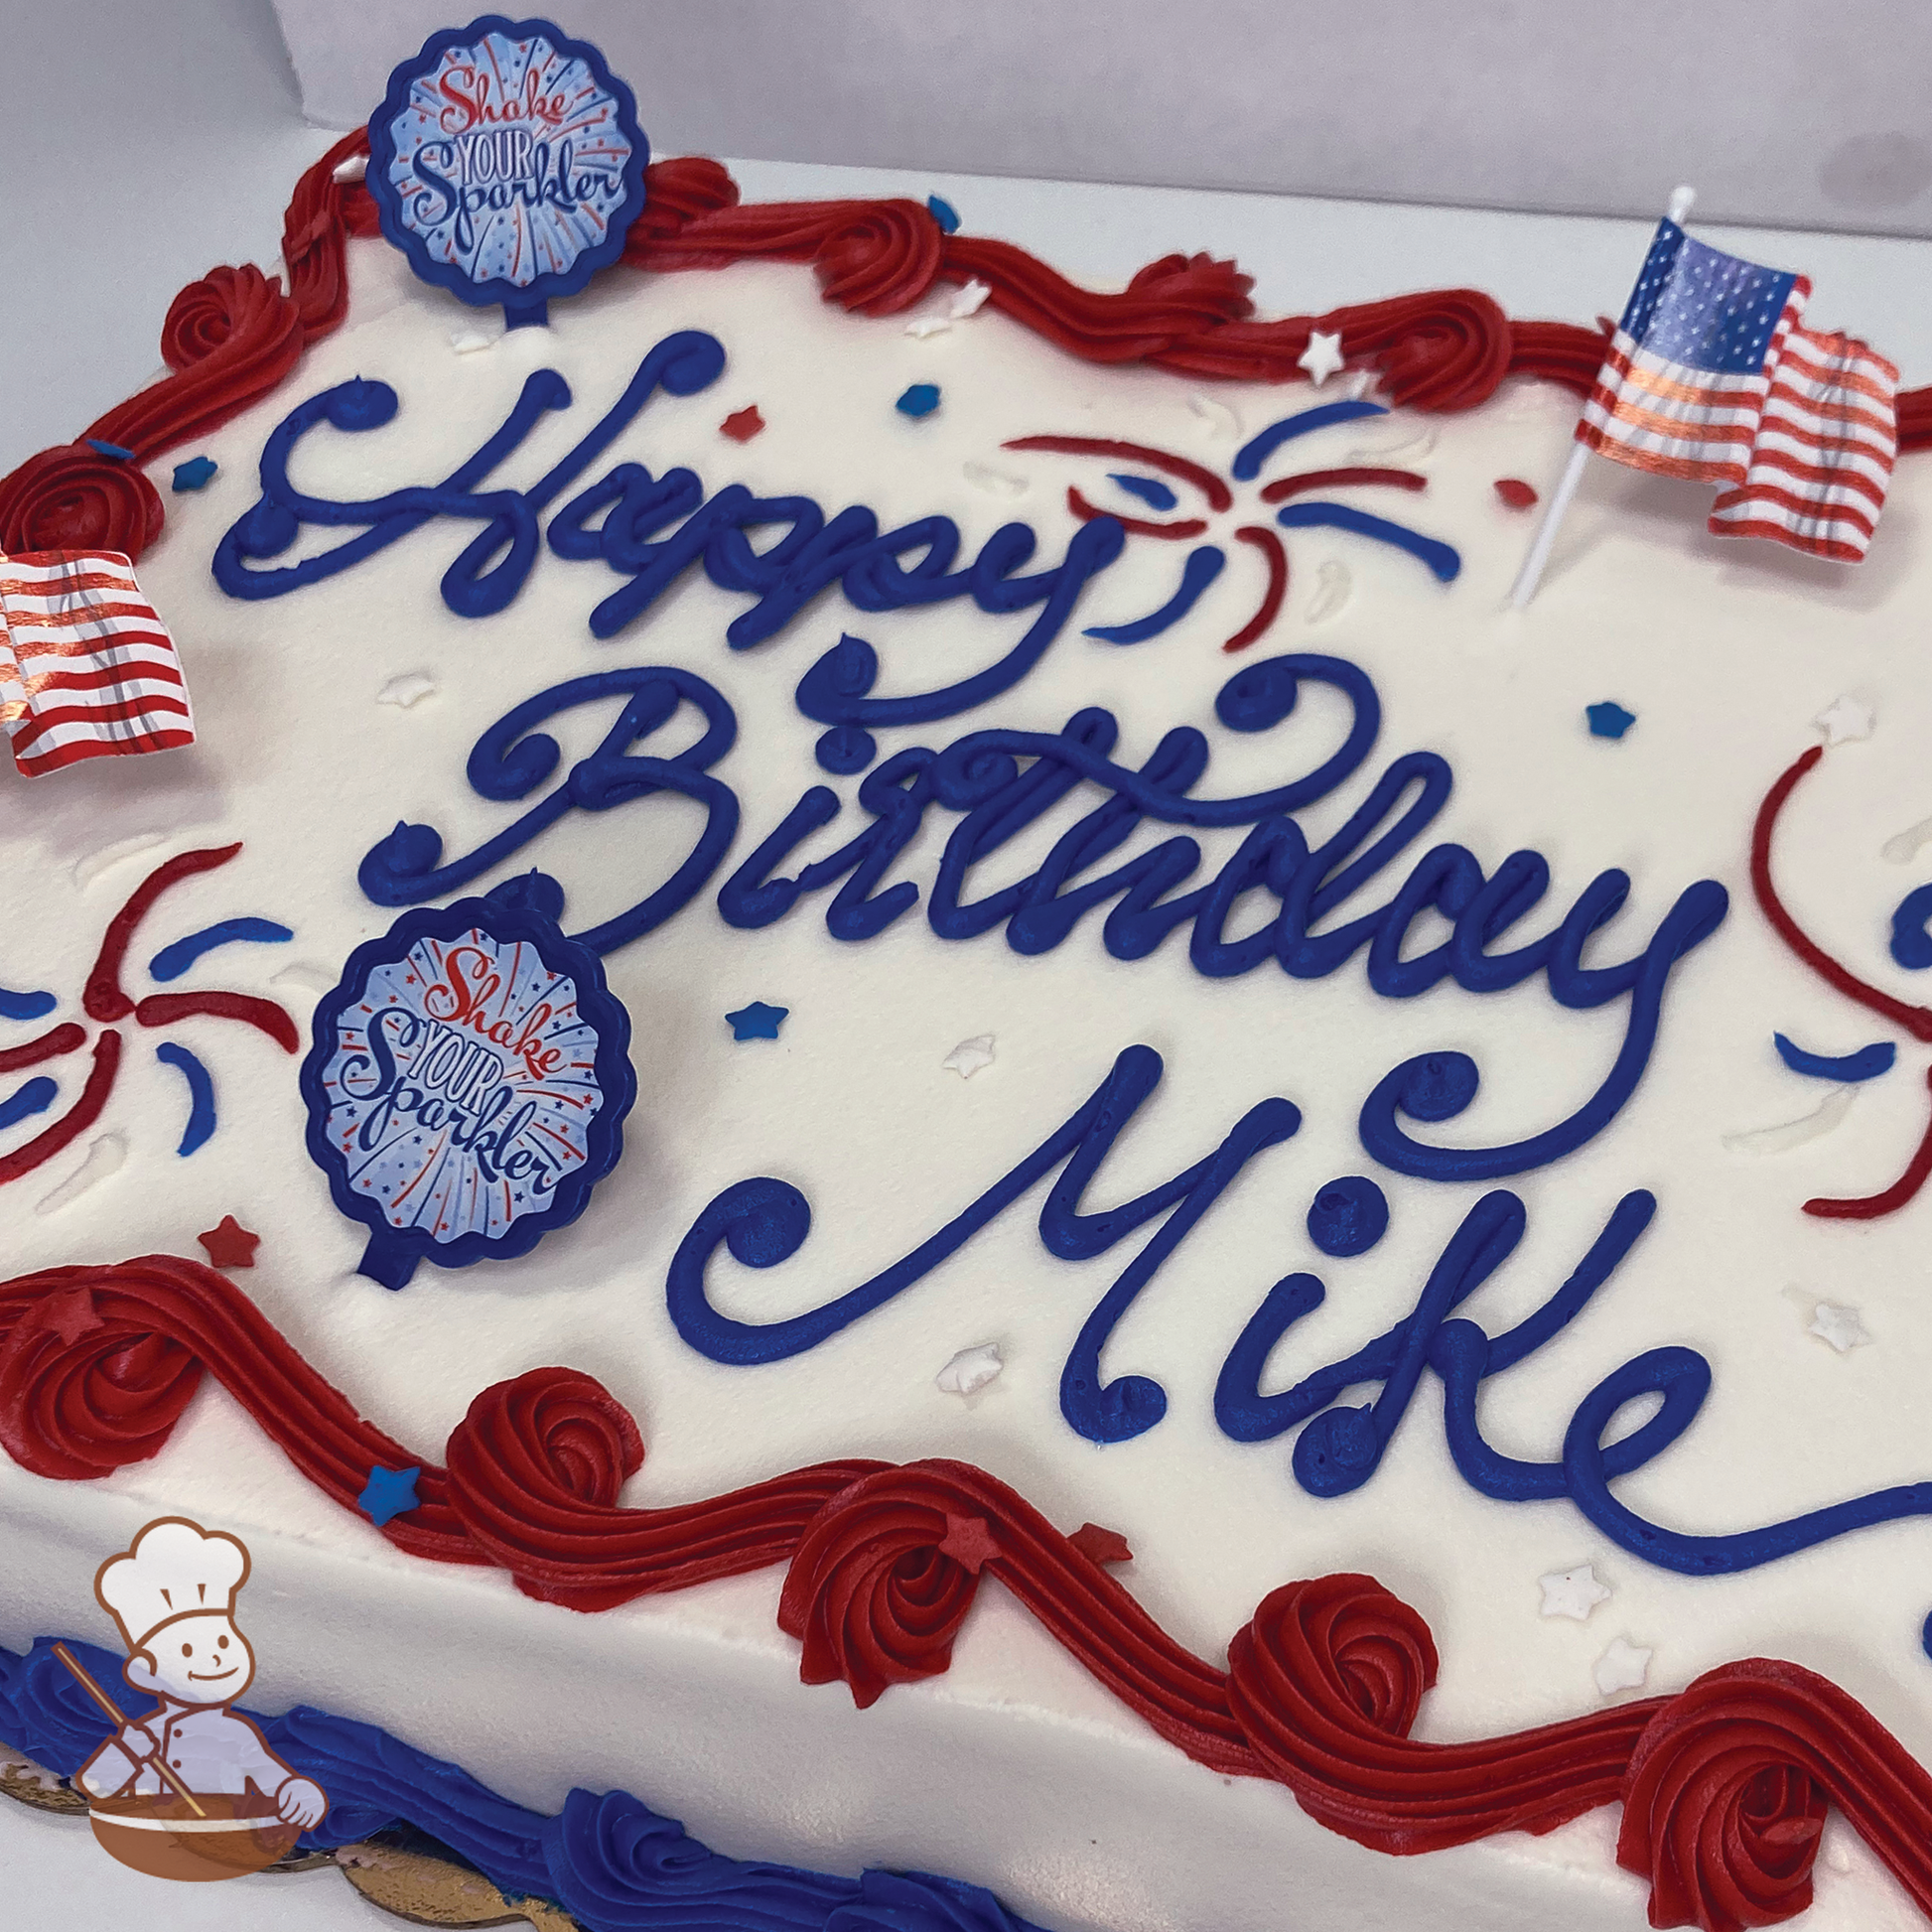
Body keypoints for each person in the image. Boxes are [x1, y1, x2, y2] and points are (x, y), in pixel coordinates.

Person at [76, 1516, 327, 1828]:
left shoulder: (237, 1733)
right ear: (146, 1673)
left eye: (223, 1642)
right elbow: (97, 1784)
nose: (215, 1659)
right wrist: (127, 1750)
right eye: (186, 1651)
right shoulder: (146, 1732)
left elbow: (270, 1776)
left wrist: (299, 1792)